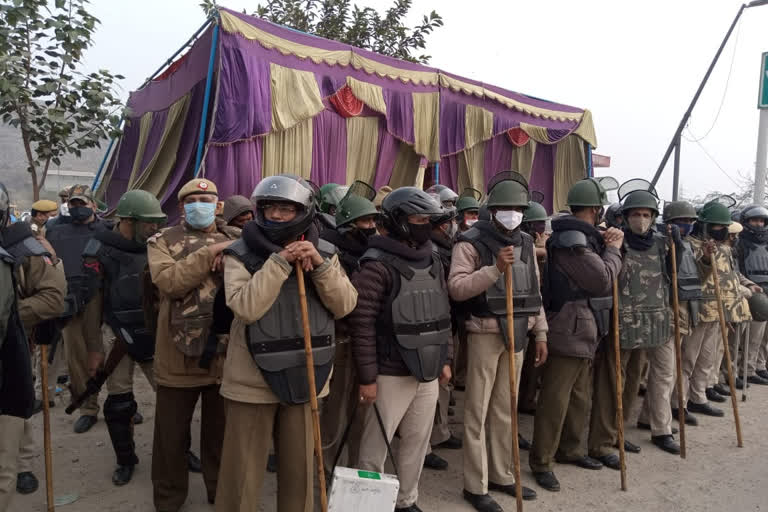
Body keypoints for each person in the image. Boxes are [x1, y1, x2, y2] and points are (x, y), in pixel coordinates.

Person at [216, 175, 357, 511]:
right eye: (269, 208)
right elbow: (246, 307)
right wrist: (279, 263)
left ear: (305, 211)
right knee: (242, 474)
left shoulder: (325, 251)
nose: (276, 215)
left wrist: (320, 267)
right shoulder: (239, 252)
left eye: (286, 209)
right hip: (251, 379)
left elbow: (345, 304)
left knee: (299, 471)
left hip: (307, 373)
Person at [350, 187, 453, 512]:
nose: (426, 225)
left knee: (417, 441)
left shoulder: (433, 258)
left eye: (428, 219)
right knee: (374, 446)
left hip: (427, 369)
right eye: (419, 219)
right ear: (399, 222)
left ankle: (407, 500)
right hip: (389, 371)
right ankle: (367, 504)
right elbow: (361, 325)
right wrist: (368, 377)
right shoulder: (375, 265)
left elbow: (442, 313)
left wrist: (445, 358)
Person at [449, 172, 547, 512]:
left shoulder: (524, 243)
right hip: (484, 333)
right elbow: (457, 288)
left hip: (518, 332)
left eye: (517, 208)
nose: (512, 213)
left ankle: (502, 473)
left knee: (506, 410)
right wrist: (493, 270)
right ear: (492, 209)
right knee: (476, 411)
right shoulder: (470, 241)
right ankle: (475, 485)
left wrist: (542, 332)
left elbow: (534, 290)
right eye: (505, 207)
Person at [148, 178, 240, 511]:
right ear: (182, 206)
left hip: (224, 357)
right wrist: (211, 253)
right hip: (177, 358)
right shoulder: (162, 241)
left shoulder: (239, 239)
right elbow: (170, 282)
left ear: (218, 205)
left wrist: (230, 253)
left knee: (220, 437)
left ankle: (221, 495)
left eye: (206, 198)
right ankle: (169, 501)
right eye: (192, 199)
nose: (199, 203)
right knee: (171, 440)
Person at [529, 178, 622, 491]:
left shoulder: (583, 235)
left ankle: (570, 448)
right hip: (568, 326)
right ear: (596, 208)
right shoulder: (572, 239)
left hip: (584, 327)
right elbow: (601, 280)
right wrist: (614, 250)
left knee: (580, 396)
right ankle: (542, 461)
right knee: (555, 399)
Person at [79, 190, 166, 486]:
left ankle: (177, 452)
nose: (154, 228)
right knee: (119, 404)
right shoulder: (98, 250)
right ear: (128, 221)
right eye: (148, 223)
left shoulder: (157, 246)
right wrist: (93, 349)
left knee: (170, 401)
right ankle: (126, 459)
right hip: (116, 335)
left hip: (154, 333)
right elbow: (92, 303)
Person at [588, 188, 671, 468]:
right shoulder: (615, 243)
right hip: (620, 322)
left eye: (646, 215)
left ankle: (618, 433)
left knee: (633, 383)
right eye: (636, 214)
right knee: (611, 383)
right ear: (624, 217)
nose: (641, 219)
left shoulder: (661, 244)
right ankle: (600, 442)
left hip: (648, 324)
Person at [673, 201, 753, 426]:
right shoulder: (689, 246)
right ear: (706, 225)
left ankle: (699, 395)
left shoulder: (723, 248)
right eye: (717, 225)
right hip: (697, 310)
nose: (722, 230)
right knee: (687, 359)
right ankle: (679, 402)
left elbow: (730, 280)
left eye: (723, 226)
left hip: (718, 310)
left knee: (707, 359)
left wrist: (730, 310)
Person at [318, 189, 378, 474]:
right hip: (341, 339)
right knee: (334, 411)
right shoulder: (330, 251)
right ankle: (326, 469)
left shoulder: (372, 252)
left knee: (361, 411)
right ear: (349, 224)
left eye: (372, 221)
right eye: (364, 221)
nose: (371, 227)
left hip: (366, 338)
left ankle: (352, 471)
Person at [46, 184, 111, 433]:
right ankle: (87, 406)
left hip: (100, 298)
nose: (77, 208)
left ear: (94, 205)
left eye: (82, 203)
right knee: (76, 355)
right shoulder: (56, 231)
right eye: (73, 204)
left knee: (106, 351)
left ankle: (120, 401)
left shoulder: (107, 229)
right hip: (69, 300)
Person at [0, 183, 37, 512]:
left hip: (15, 350)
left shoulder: (26, 248)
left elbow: (53, 298)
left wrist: (15, 316)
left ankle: (26, 466)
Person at [424, 201, 462, 472]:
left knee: (442, 388)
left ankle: (439, 434)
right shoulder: (430, 251)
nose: (449, 227)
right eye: (444, 222)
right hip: (426, 329)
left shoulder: (446, 248)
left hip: (446, 324)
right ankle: (425, 446)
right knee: (428, 393)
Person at [735, 205, 768, 385]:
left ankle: (760, 366)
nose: (759, 224)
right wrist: (747, 286)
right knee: (753, 336)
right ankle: (747, 369)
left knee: (765, 336)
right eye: (755, 220)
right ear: (746, 222)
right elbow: (737, 270)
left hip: (766, 288)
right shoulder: (740, 242)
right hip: (751, 289)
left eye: (762, 221)